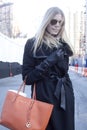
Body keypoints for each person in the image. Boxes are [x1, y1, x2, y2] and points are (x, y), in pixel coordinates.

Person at [22, 6, 75, 130]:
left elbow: (64, 73)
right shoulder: (32, 44)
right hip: (43, 96)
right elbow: (27, 79)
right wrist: (48, 62)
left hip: (64, 95)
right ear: (46, 21)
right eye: (54, 21)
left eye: (61, 22)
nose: (57, 25)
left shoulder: (64, 45)